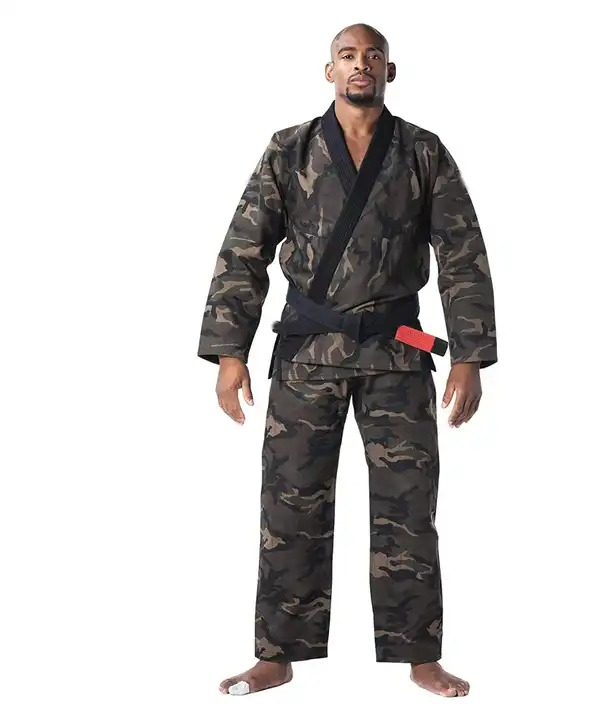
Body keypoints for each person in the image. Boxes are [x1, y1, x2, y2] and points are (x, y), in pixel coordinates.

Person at [197, 22, 497, 698]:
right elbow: (244, 250)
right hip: (308, 354)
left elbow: (462, 253)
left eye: (373, 56)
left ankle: (419, 654)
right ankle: (278, 653)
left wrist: (470, 355)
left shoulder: (423, 152)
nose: (360, 64)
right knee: (290, 509)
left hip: (397, 353)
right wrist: (229, 351)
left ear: (390, 71)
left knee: (408, 509)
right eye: (347, 55)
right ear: (328, 70)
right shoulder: (290, 149)